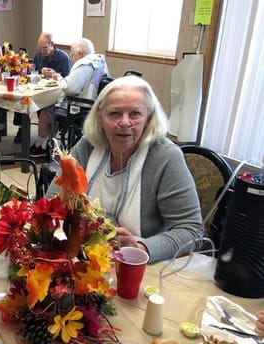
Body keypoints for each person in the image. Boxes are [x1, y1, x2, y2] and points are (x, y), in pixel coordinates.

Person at [45, 75, 203, 264]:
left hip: (140, 267)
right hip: (85, 258)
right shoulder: (88, 145)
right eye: (115, 113)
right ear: (100, 118)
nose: (125, 122)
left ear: (148, 118)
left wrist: (141, 248)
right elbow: (51, 202)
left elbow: (192, 231)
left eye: (135, 114)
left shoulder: (165, 157)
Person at [32, 38, 109, 158]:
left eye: (72, 54)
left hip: (80, 107)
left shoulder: (85, 64)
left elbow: (70, 88)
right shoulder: (99, 61)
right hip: (92, 104)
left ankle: (41, 145)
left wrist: (59, 78)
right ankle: (46, 142)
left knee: (46, 110)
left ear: (81, 53)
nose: (72, 57)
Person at [13, 32, 72, 145]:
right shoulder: (39, 56)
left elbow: (68, 79)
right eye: (39, 48)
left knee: (41, 106)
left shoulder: (63, 58)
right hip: (39, 89)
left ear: (52, 44)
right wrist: (31, 69)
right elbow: (35, 72)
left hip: (55, 93)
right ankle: (22, 128)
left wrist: (54, 73)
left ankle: (45, 137)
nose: (42, 51)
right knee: (21, 98)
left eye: (44, 48)